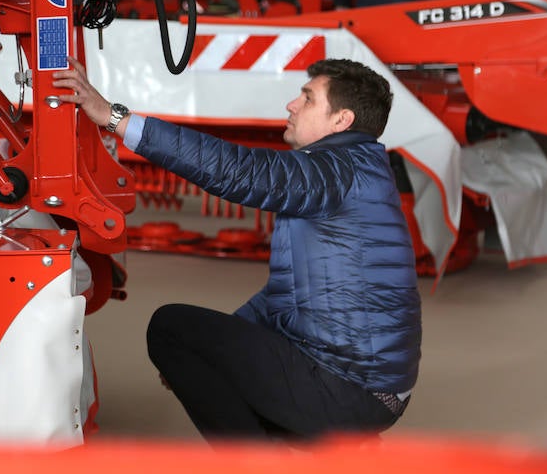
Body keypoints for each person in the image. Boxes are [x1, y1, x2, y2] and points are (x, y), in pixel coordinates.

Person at [53, 56, 421, 444]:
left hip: (350, 387)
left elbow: (237, 170)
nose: (291, 106)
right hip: (364, 386)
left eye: (308, 99)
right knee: (199, 347)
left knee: (171, 328)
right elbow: (284, 296)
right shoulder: (350, 170)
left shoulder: (337, 172)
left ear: (341, 120)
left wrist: (115, 118)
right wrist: (215, 352)